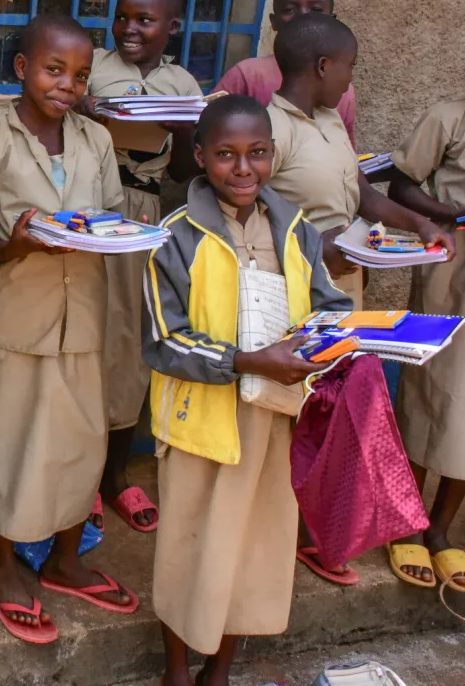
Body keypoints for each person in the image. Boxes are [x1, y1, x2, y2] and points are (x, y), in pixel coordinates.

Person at [143, 93, 354, 686]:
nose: (244, 169)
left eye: (257, 153)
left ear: (273, 153)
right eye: (227, 155)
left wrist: (335, 342)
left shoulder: (297, 231)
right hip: (201, 421)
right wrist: (246, 360)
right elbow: (164, 339)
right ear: (200, 156)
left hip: (276, 418)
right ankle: (178, 670)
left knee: (251, 548)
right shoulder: (175, 236)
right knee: (189, 546)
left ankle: (221, 669)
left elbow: (330, 309)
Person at [0, 13, 135, 645]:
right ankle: (2, 566)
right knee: (7, 440)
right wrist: (20, 242)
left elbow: (112, 218)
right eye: (52, 69)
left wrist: (107, 234)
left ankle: (65, 558)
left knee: (80, 442)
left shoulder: (96, 141)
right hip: (18, 315)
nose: (66, 84)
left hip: (84, 314)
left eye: (80, 74)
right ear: (21, 69)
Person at [78, 0, 201, 535]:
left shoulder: (181, 83)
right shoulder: (94, 67)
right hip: (86, 207)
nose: (129, 28)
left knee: (131, 344)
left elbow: (182, 172)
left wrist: (180, 123)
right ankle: (78, 477)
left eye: (145, 20)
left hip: (142, 213)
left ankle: (115, 473)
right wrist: (91, 111)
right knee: (85, 339)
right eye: (122, 15)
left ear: (171, 26)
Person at [384, 14, 465, 593]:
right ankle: (404, 518)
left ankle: (441, 528)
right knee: (430, 393)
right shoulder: (449, 118)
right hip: (451, 275)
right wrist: (456, 217)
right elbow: (401, 185)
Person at [267, 13, 452, 311]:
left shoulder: (330, 118)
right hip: (291, 284)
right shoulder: (272, 128)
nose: (351, 76)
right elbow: (244, 212)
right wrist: (312, 244)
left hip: (340, 279)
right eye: (350, 65)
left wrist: (421, 225)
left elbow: (362, 194)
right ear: (323, 66)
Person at [215, 0, 356, 142]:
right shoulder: (247, 74)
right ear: (273, 22)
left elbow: (346, 147)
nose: (303, 16)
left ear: (332, 20)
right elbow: (211, 129)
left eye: (316, 10)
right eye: (290, 10)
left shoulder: (341, 86)